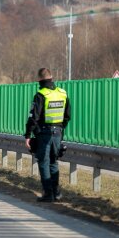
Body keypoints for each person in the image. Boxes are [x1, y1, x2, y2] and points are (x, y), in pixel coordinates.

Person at [24, 68, 71, 202]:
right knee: (53, 162)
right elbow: (68, 116)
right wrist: (60, 130)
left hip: (44, 134)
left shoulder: (41, 95)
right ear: (51, 77)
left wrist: (27, 135)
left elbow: (33, 117)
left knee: (43, 163)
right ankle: (56, 193)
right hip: (57, 132)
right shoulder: (62, 93)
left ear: (39, 80)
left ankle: (48, 194)